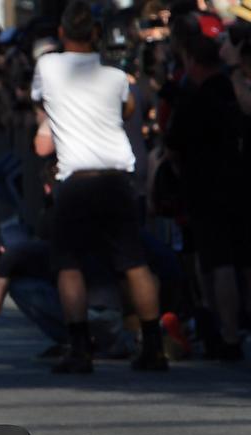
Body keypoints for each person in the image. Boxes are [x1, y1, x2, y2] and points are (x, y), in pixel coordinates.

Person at [31, 0, 167, 372]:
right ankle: (153, 343)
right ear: (95, 34)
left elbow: (40, 105)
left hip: (77, 178)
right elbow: (126, 111)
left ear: (62, 33)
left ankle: (80, 347)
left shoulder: (48, 66)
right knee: (133, 262)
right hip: (116, 176)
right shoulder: (116, 77)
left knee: (69, 264)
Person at [164, 13, 247, 361]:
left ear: (193, 62)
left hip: (207, 190)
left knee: (219, 264)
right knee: (242, 260)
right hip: (240, 184)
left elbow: (172, 145)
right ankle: (235, 329)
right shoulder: (233, 90)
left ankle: (227, 333)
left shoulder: (194, 99)